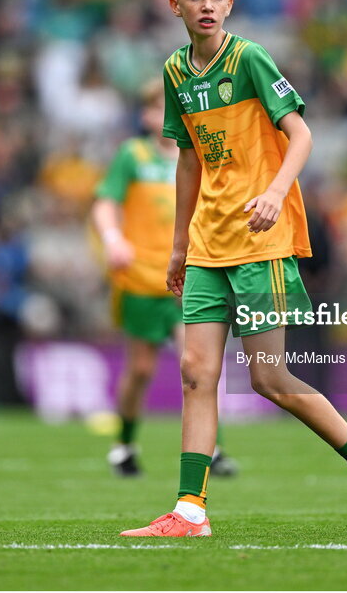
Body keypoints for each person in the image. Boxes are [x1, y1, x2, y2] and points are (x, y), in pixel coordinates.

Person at [119, 0, 347, 537]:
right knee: (195, 372)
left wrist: (276, 192)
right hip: (206, 243)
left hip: (260, 240)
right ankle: (190, 512)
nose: (206, 6)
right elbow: (189, 162)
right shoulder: (176, 71)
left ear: (231, 4)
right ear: (174, 5)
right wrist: (178, 244)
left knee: (269, 379)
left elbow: (300, 135)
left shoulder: (250, 58)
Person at [92, 80, 237, 477]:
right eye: (159, 109)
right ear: (147, 115)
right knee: (140, 370)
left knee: (197, 365)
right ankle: (123, 444)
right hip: (141, 278)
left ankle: (213, 448)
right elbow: (105, 203)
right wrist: (113, 238)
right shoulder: (133, 155)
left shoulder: (200, 157)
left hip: (190, 279)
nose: (168, 116)